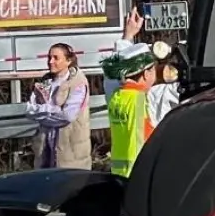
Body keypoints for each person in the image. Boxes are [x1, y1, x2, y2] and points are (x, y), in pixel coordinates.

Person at [102, 34, 163, 179]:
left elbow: (110, 80)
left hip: (120, 173)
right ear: (146, 74)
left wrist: (126, 38)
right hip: (144, 173)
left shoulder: (117, 97)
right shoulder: (146, 99)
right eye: (153, 69)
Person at [26, 42, 92, 170]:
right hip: (45, 151)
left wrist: (42, 113)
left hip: (70, 154)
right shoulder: (45, 81)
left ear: (68, 61)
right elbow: (29, 110)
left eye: (56, 58)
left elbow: (67, 116)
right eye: (49, 57)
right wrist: (54, 111)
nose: (50, 61)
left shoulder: (78, 83)